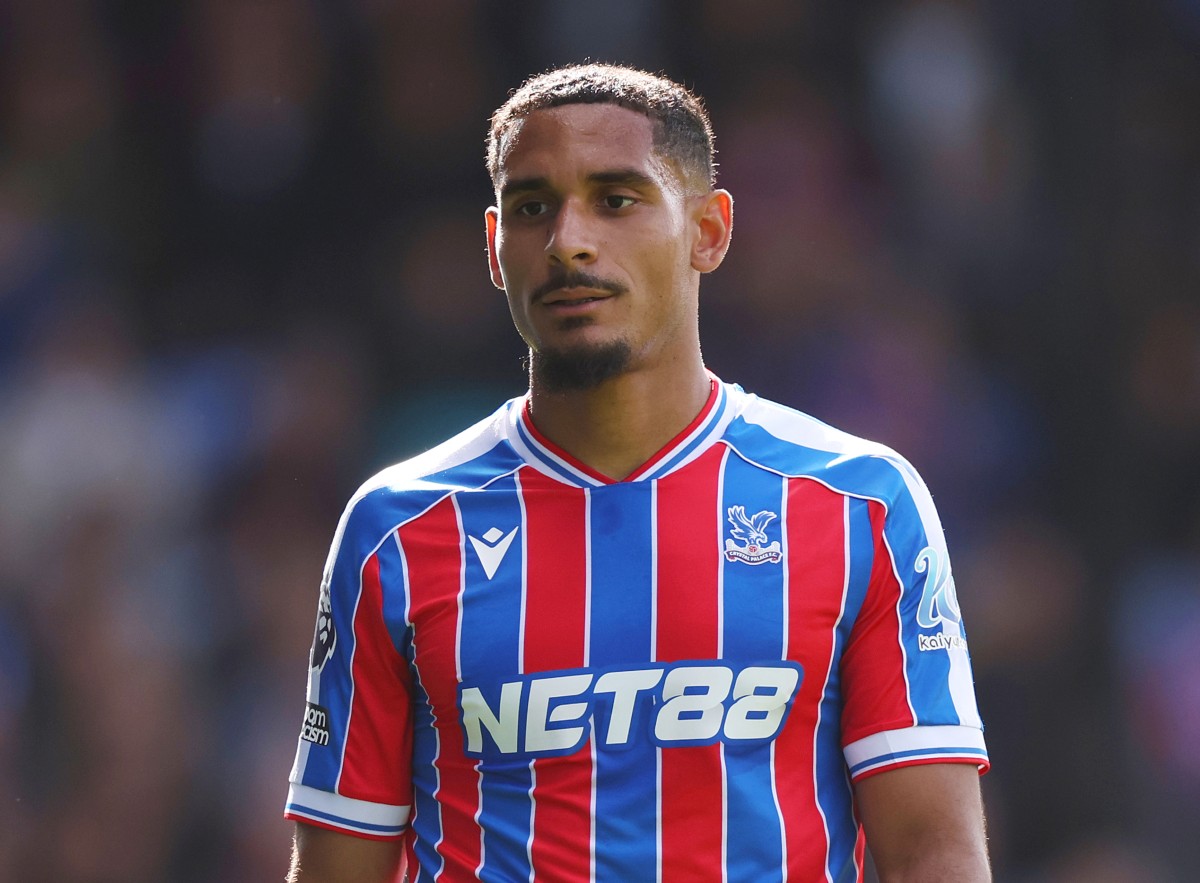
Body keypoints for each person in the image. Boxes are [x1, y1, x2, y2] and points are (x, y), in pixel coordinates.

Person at [284, 63, 991, 882]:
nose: (568, 240)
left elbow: (933, 855)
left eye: (616, 200)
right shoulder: (397, 530)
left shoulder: (860, 506)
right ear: (494, 247)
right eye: (532, 207)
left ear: (709, 231)